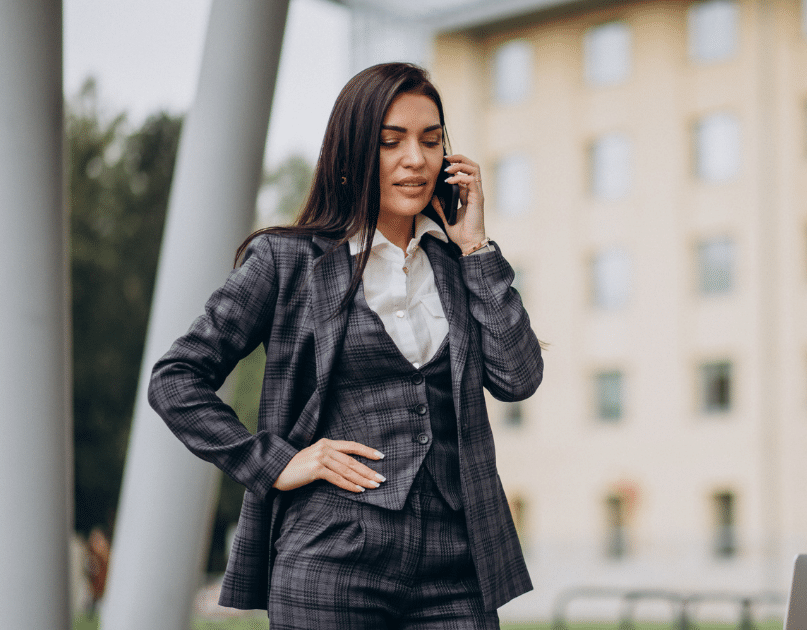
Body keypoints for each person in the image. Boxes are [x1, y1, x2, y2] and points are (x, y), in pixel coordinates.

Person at [148, 62, 543, 629]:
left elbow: (519, 377)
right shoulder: (289, 261)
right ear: (352, 152)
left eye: (431, 140)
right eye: (391, 142)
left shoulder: (461, 264)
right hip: (332, 557)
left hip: (455, 563)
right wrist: (278, 462)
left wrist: (477, 248)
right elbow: (176, 379)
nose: (416, 159)